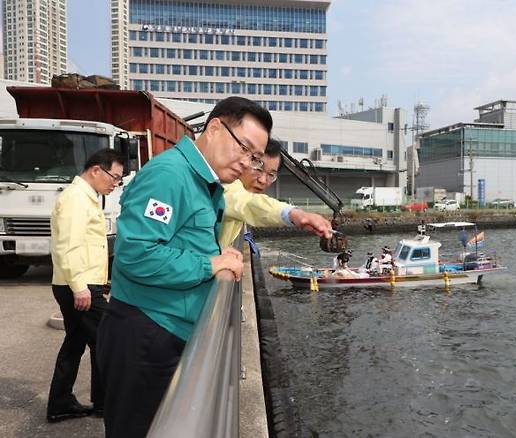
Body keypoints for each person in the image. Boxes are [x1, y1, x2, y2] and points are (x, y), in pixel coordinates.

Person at [96, 97, 272, 438]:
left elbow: (183, 239)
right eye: (245, 149)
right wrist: (210, 264)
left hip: (166, 330)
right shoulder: (169, 176)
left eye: (254, 158)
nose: (247, 164)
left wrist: (220, 255)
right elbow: (137, 254)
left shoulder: (202, 182)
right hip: (146, 333)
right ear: (216, 127)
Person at [47, 148, 125, 422]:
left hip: (81, 283)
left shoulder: (85, 197)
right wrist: (80, 286)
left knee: (76, 342)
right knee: (107, 338)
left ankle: (60, 403)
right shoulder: (76, 199)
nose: (115, 183)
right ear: (96, 170)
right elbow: (67, 246)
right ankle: (104, 403)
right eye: (114, 177)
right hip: (78, 285)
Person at [219, 138, 332, 250]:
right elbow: (246, 203)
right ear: (242, 162)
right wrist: (294, 214)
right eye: (258, 168)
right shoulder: (226, 187)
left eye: (271, 175)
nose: (263, 180)